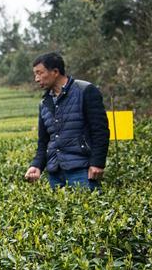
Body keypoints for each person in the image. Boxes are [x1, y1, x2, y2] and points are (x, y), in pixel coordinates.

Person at [24, 52, 110, 190]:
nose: (36, 79)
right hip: (55, 173)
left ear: (55, 72)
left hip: (82, 169)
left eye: (40, 73)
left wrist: (97, 163)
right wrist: (37, 165)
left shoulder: (85, 90)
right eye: (35, 74)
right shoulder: (44, 103)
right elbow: (44, 141)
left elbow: (100, 130)